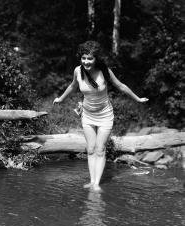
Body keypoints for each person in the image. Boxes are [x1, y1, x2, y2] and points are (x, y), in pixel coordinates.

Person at [53, 40, 148, 192]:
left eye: (90, 58)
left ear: (96, 59)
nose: (86, 61)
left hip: (105, 115)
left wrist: (138, 98)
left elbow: (121, 86)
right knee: (90, 149)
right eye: (83, 58)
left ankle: (96, 184)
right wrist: (60, 98)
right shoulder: (78, 71)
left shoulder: (104, 71)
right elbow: (72, 86)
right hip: (87, 115)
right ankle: (92, 181)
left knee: (100, 149)